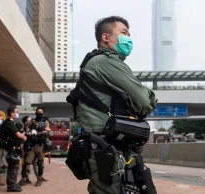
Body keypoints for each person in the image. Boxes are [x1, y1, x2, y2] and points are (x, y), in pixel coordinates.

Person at [66, 16, 158, 194]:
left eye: (129, 35)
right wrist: (150, 97)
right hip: (108, 148)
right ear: (106, 37)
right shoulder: (106, 61)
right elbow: (144, 101)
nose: (128, 38)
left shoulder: (95, 62)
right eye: (123, 33)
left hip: (103, 147)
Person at [18, 108, 50, 187]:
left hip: (40, 146)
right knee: (26, 162)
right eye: (38, 112)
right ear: (35, 113)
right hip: (32, 146)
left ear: (43, 114)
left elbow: (46, 131)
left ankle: (39, 179)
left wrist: (37, 133)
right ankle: (24, 179)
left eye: (41, 112)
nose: (39, 113)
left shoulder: (45, 122)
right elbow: (28, 131)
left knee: (40, 163)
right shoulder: (32, 122)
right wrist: (34, 133)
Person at [1, 107, 26, 192]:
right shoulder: (9, 123)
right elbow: (19, 135)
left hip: (14, 148)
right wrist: (24, 137)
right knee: (13, 166)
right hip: (12, 148)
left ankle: (13, 184)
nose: (17, 113)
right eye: (16, 112)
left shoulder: (13, 122)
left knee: (15, 166)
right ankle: (11, 186)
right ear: (12, 113)